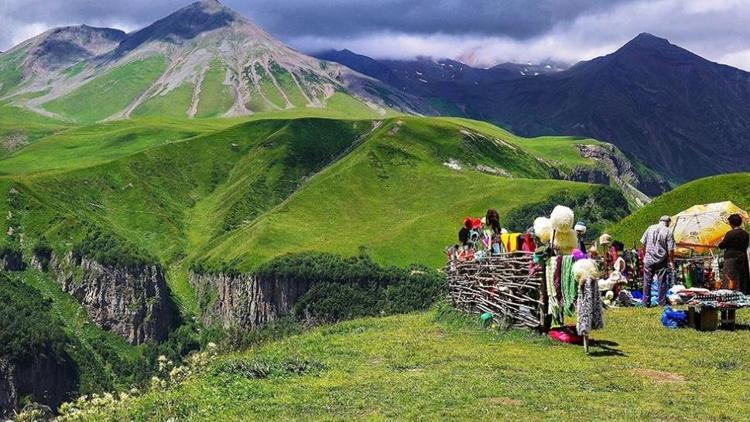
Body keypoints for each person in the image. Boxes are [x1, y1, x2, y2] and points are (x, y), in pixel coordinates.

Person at [640, 215, 676, 307]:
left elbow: (643, 243)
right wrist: (671, 261)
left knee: (647, 281)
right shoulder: (668, 231)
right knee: (662, 282)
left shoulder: (650, 228)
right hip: (661, 259)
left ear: (660, 221)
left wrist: (645, 255)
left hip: (648, 259)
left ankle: (645, 303)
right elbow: (670, 249)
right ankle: (662, 303)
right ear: (668, 223)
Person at [718, 213, 750, 293]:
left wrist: (722, 240)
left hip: (731, 257)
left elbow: (722, 245)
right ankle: (743, 291)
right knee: (741, 275)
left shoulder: (730, 233)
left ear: (731, 223)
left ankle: (730, 292)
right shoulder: (745, 234)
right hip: (742, 256)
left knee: (730, 276)